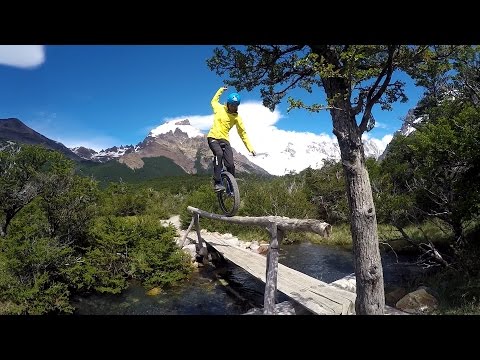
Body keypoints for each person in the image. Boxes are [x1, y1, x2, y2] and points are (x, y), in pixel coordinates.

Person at [207, 86, 256, 192]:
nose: (234, 107)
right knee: (219, 154)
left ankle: (231, 188)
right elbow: (214, 101)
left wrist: (250, 148)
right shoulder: (219, 108)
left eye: (236, 105)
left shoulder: (237, 118)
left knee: (230, 165)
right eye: (232, 105)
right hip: (213, 137)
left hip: (225, 140)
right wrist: (220, 90)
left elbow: (242, 133)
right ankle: (217, 183)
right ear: (228, 103)